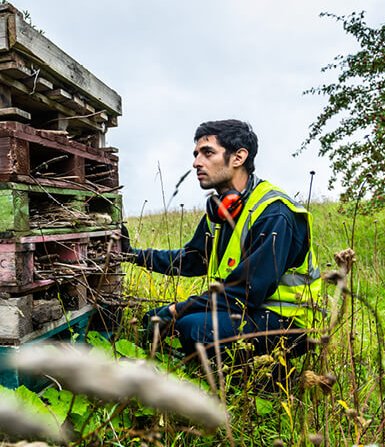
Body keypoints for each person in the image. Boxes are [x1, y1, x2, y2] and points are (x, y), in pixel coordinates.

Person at [121, 119, 322, 359]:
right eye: (196, 154)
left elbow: (245, 291)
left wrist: (177, 309)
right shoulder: (220, 211)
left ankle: (265, 381)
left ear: (238, 157)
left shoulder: (274, 213)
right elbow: (194, 260)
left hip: (290, 323)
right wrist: (132, 255)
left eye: (208, 153)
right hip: (247, 311)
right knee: (151, 319)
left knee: (196, 328)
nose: (196, 162)